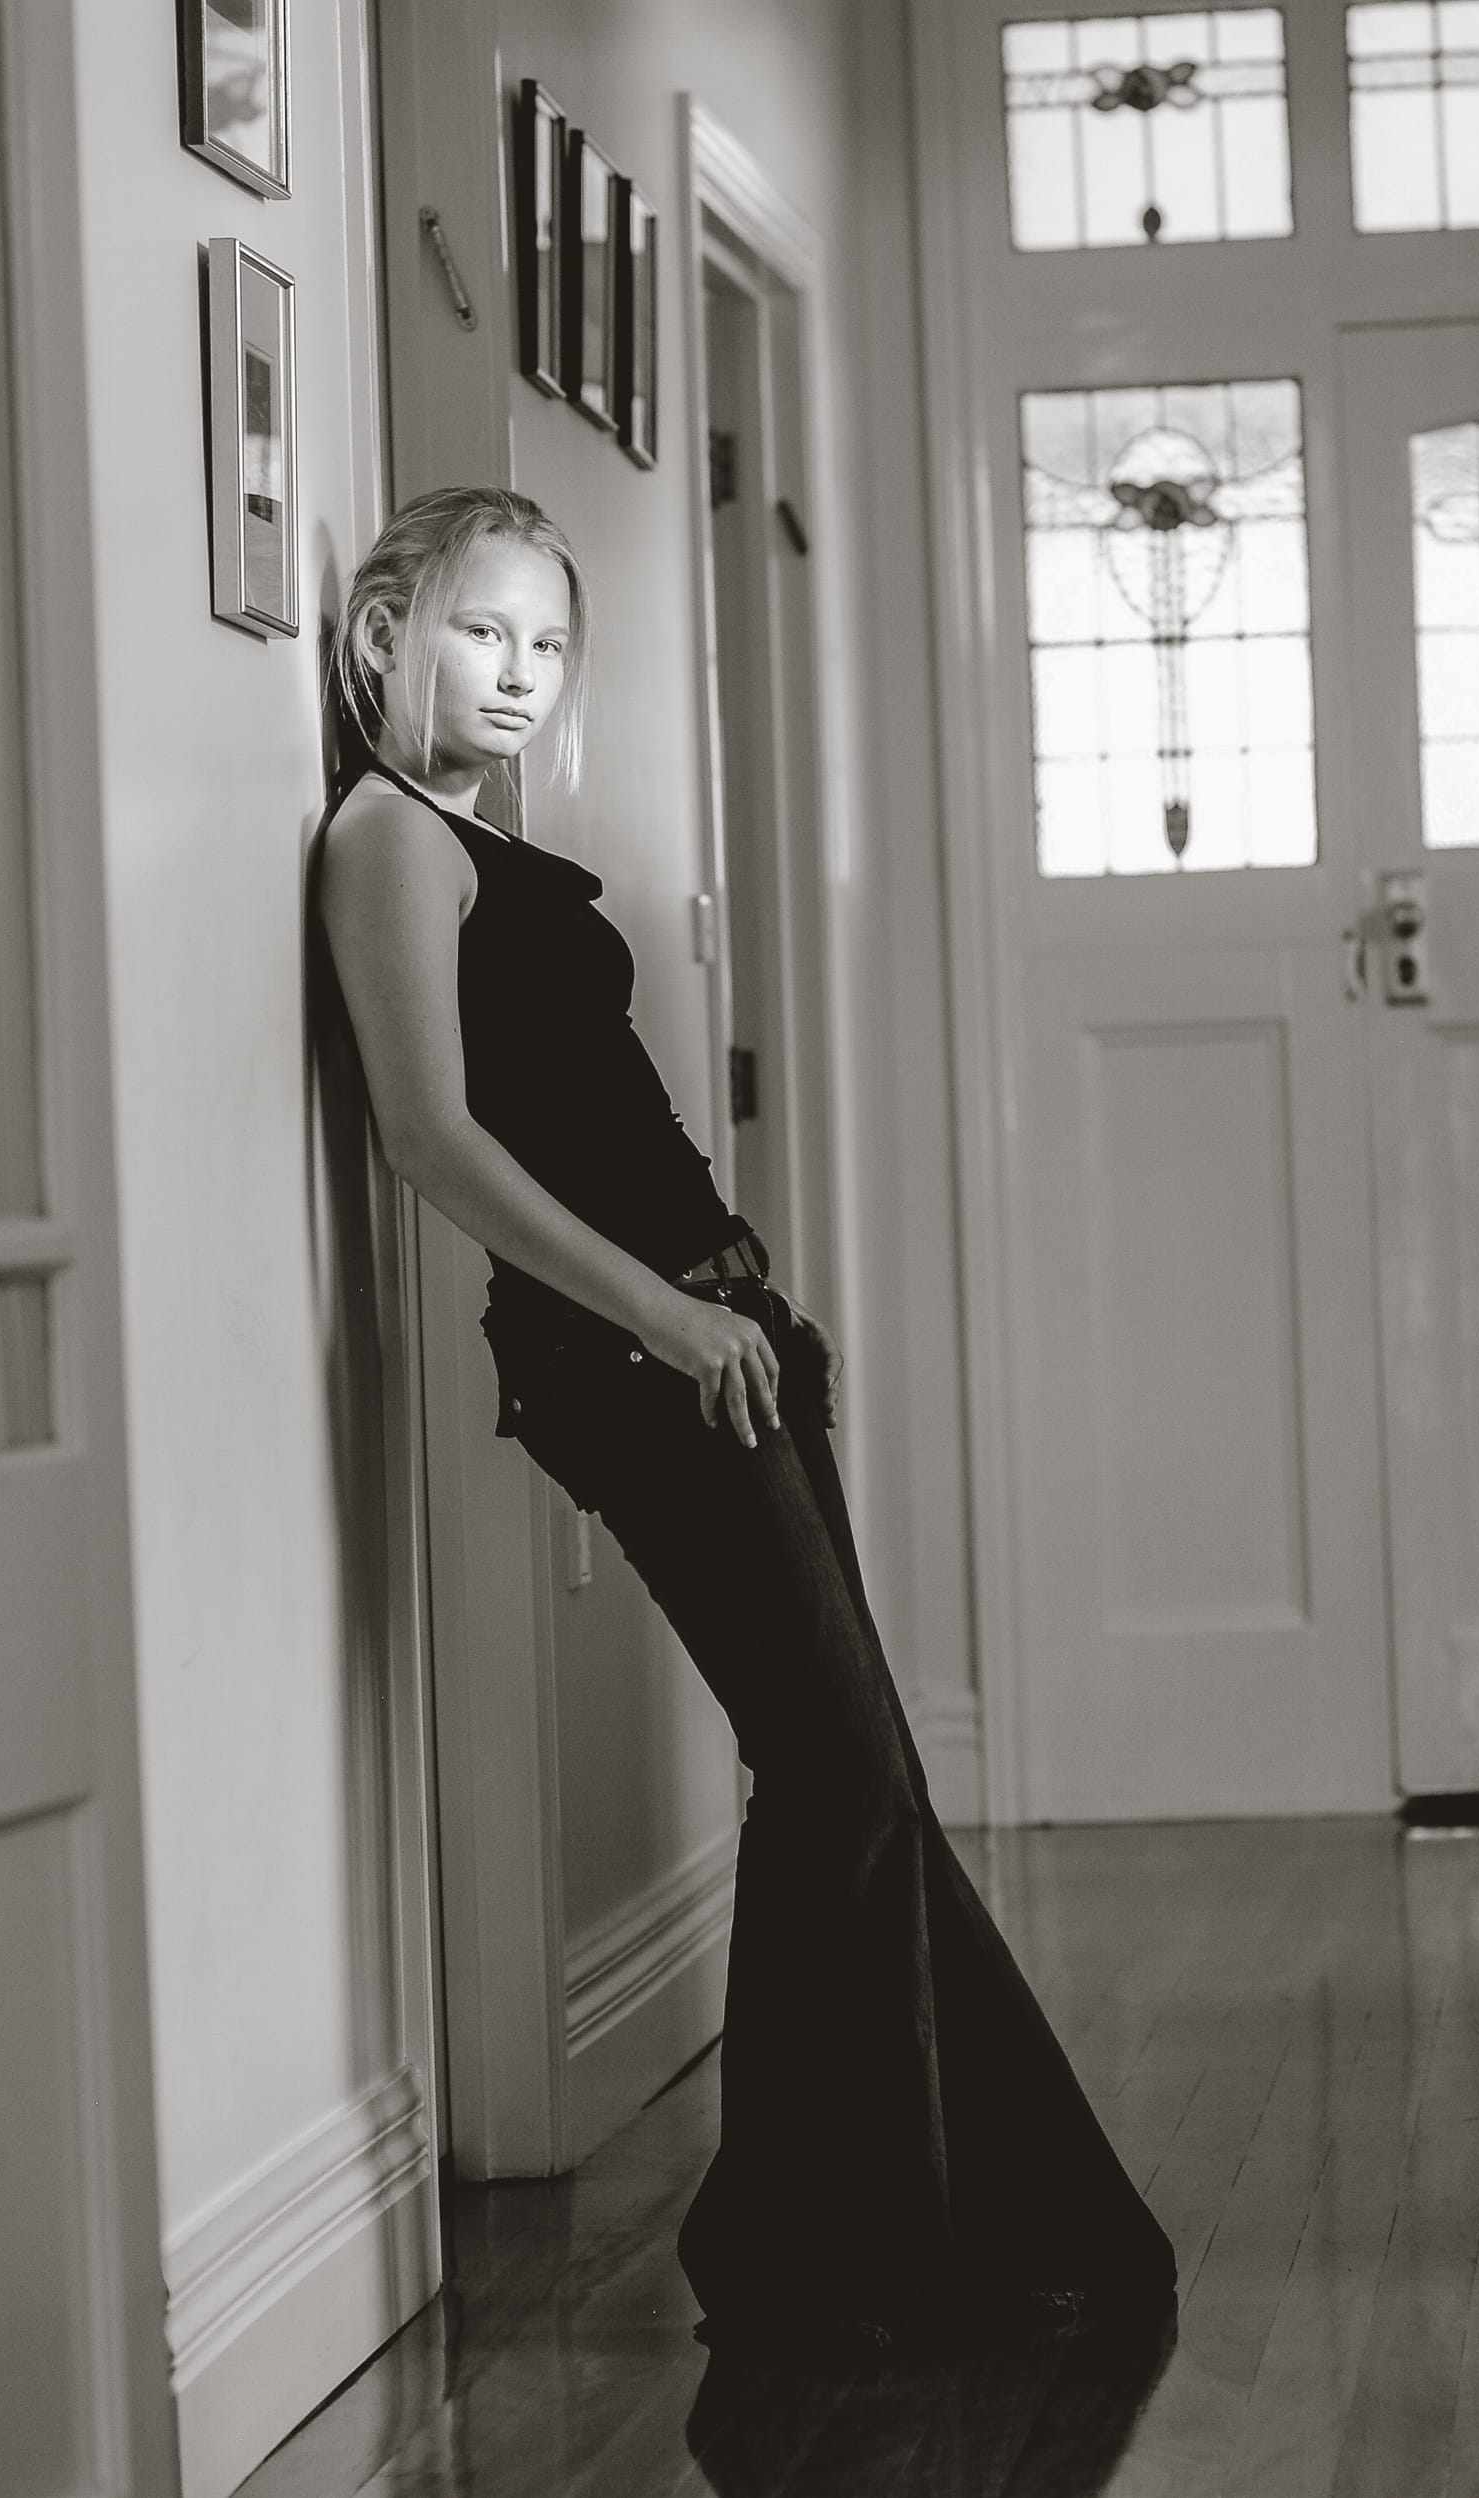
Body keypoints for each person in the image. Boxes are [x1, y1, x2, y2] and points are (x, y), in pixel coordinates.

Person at [316, 483, 1176, 2365]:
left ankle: (876, 2230)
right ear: (386, 628)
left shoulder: (484, 835)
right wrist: (661, 1312)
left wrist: (740, 1303)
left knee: (849, 1770)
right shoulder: (388, 841)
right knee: (850, 1768)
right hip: (630, 1353)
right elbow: (430, 1140)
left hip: (712, 1332)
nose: (521, 672)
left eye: (549, 643)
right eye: (482, 631)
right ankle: (818, 2247)